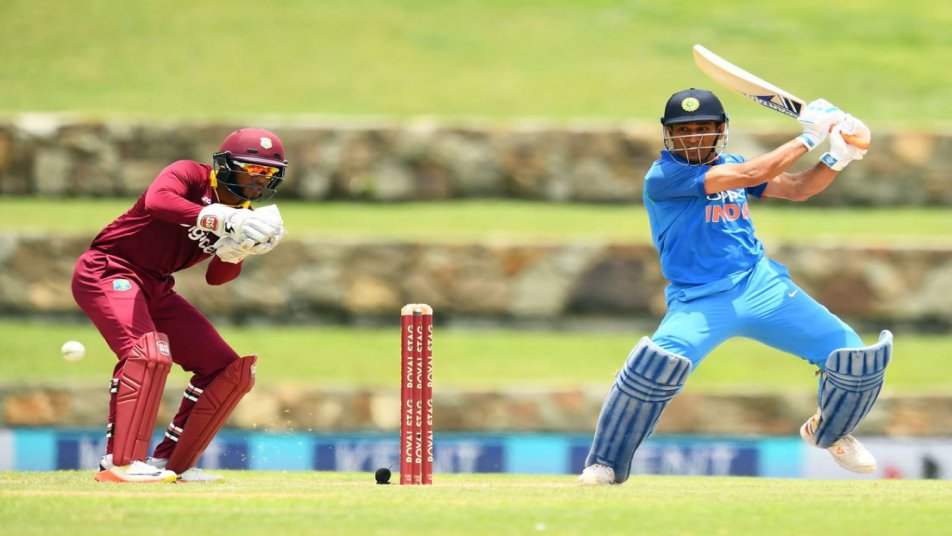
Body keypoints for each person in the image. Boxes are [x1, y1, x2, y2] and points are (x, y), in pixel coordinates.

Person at [578, 89, 892, 485]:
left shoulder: (733, 164)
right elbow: (749, 176)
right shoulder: (664, 176)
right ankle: (604, 464)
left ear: (721, 129)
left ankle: (828, 430)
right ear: (668, 134)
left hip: (762, 286)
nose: (693, 137)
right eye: (683, 130)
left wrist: (839, 156)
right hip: (700, 300)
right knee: (653, 368)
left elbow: (797, 188)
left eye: (703, 128)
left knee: (856, 361)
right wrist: (811, 135)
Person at [71, 128, 289, 483]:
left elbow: (217, 278)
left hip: (156, 287)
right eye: (251, 168)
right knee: (146, 354)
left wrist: (238, 251)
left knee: (226, 370)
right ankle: (120, 464)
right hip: (110, 269)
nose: (258, 178)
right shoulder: (189, 174)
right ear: (225, 166)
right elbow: (158, 202)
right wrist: (224, 219)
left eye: (267, 172)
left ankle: (171, 465)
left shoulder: (245, 215)